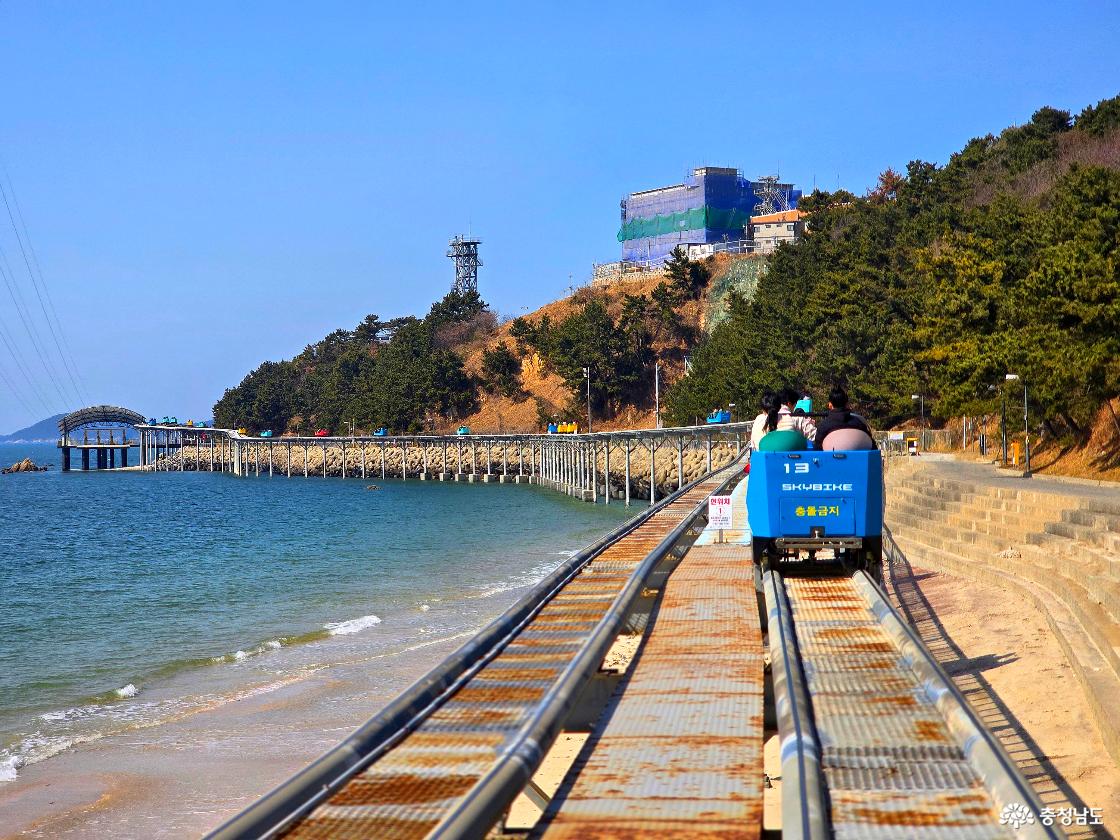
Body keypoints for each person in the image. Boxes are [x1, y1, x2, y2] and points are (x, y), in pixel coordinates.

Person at [815, 386, 876, 450]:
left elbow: (817, 449)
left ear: (830, 405)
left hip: (831, 459)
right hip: (858, 459)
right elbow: (873, 446)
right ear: (847, 404)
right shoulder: (859, 423)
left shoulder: (824, 425)